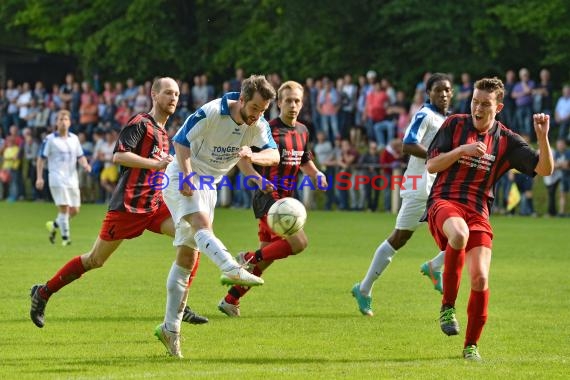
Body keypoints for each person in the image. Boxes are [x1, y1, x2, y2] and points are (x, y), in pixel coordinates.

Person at [29, 78, 207, 331]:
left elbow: (158, 169)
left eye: (177, 94)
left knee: (193, 238)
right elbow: (119, 155)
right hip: (128, 207)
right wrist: (154, 164)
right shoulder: (140, 123)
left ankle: (180, 304)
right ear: (154, 95)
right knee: (95, 260)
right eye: (168, 93)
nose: (174, 98)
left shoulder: (165, 134)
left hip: (155, 206)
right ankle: (43, 292)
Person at [424, 77, 553, 361]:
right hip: (444, 201)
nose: (477, 108)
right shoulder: (455, 124)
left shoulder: (505, 140)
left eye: (485, 104)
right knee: (458, 234)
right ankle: (447, 306)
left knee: (481, 279)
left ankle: (471, 346)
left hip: (478, 210)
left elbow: (544, 169)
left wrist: (542, 137)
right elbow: (431, 164)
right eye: (474, 102)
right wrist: (460, 151)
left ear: (499, 107)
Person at [155, 74, 280, 358]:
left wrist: (254, 163)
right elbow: (181, 141)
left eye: (263, 111)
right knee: (201, 225)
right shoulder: (213, 111)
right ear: (243, 99)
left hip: (209, 186)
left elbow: (273, 155)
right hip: (182, 175)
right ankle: (231, 268)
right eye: (255, 108)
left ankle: (169, 329)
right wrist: (187, 177)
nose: (258, 115)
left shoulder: (256, 123)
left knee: (187, 258)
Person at [217, 80, 327, 317]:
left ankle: (230, 300)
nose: (293, 105)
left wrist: (316, 174)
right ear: (278, 103)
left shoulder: (303, 131)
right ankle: (247, 258)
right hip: (268, 197)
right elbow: (243, 158)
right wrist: (257, 177)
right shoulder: (267, 129)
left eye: (297, 100)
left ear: (303, 103)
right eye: (288, 100)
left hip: (288, 200)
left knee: (266, 259)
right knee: (299, 243)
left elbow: (304, 159)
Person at [351, 73, 453, 317]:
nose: (444, 94)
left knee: (465, 232)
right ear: (428, 93)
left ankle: (434, 266)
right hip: (420, 186)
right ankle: (364, 289)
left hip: (438, 188)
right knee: (398, 239)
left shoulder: (447, 119)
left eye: (448, 90)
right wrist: (436, 158)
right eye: (438, 90)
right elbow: (408, 144)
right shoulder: (424, 115)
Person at [36, 110, 92, 246]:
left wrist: (85, 165)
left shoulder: (74, 139)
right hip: (56, 178)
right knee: (65, 208)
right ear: (56, 123)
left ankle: (54, 225)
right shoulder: (50, 139)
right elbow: (41, 158)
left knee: (75, 210)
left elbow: (80, 156)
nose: (63, 122)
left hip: (72, 179)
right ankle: (66, 239)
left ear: (70, 122)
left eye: (65, 119)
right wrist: (39, 177)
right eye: (60, 119)